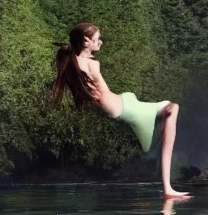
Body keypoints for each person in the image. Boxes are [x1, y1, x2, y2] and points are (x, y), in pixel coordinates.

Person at [51, 22, 191, 199]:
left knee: (167, 109)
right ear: (86, 41)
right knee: (172, 108)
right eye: (97, 39)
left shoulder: (74, 63)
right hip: (121, 106)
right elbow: (91, 90)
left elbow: (84, 88)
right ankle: (168, 188)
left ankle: (157, 143)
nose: (101, 42)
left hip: (121, 102)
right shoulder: (89, 65)